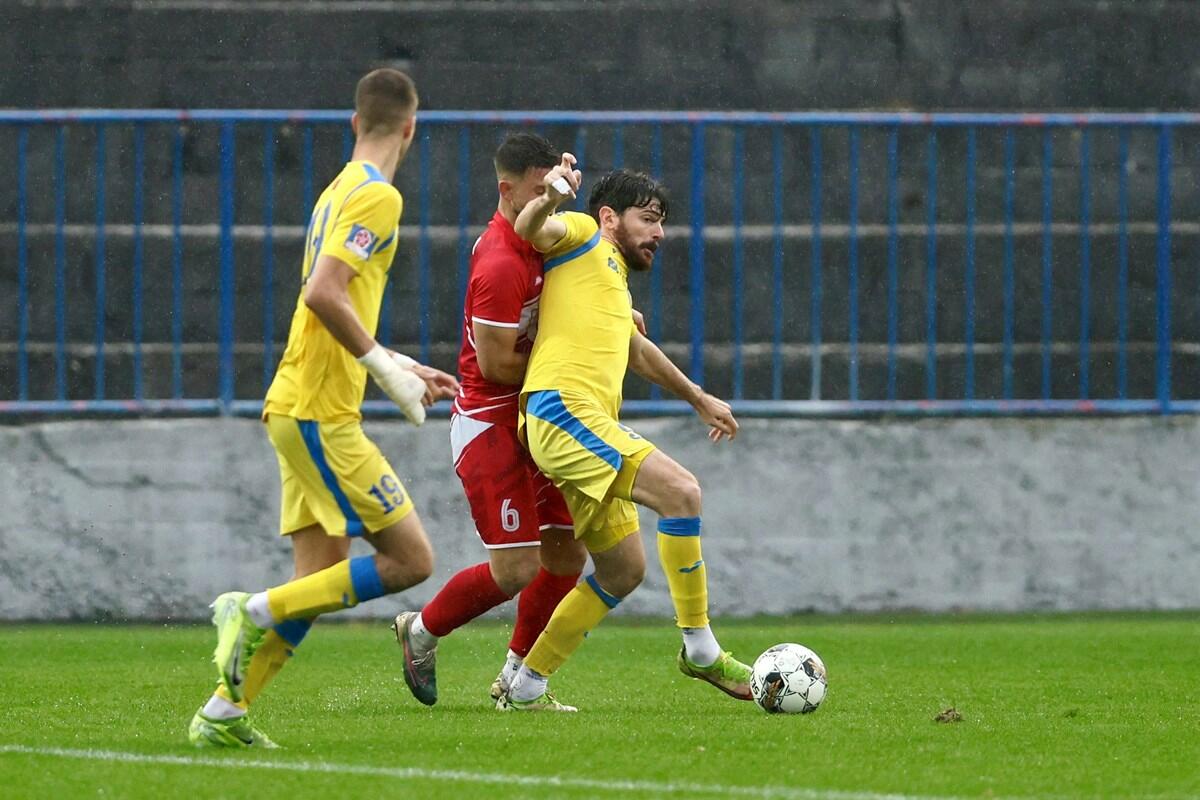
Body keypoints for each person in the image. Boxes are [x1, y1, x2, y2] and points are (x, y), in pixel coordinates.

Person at [187, 68, 459, 748]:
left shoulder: (338, 189)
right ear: (411, 127)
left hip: (298, 403)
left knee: (318, 578)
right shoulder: (378, 197)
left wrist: (399, 364)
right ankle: (249, 609)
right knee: (411, 560)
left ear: (354, 122)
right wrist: (386, 375)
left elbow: (334, 302)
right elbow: (323, 295)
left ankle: (223, 713)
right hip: (320, 412)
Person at [499, 159, 753, 711]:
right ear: (610, 217)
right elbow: (530, 227)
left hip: (582, 421)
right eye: (649, 219)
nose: (659, 233)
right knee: (681, 492)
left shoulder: (610, 279)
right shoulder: (584, 233)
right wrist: (553, 194)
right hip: (562, 411)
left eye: (662, 222)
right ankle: (701, 650)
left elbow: (637, 351)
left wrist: (698, 398)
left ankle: (527, 687)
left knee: (623, 570)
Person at [391, 133, 588, 707]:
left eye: (556, 187)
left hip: (534, 418)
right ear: (507, 190)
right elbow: (498, 364)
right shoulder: (501, 261)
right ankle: (420, 630)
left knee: (566, 556)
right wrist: (575, 365)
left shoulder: (542, 238)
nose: (550, 198)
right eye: (540, 188)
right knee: (517, 569)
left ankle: (517, 680)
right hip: (491, 425)